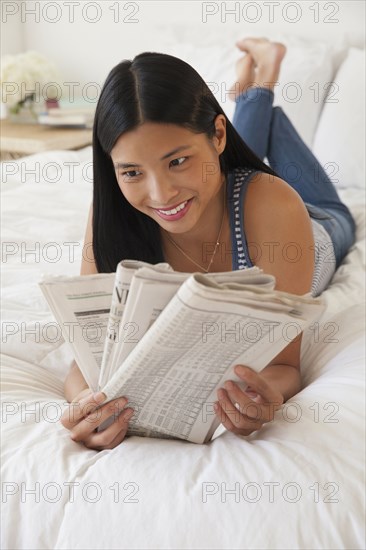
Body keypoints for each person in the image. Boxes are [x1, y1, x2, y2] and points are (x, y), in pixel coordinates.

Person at [61, 38, 356, 450]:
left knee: (326, 207)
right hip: (221, 181)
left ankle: (263, 83)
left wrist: (262, 398)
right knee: (207, 176)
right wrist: (85, 404)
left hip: (318, 224)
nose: (161, 194)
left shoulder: (274, 204)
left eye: (176, 161)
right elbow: (86, 360)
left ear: (220, 134)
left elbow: (285, 365)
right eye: (131, 172)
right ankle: (255, 89)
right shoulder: (112, 214)